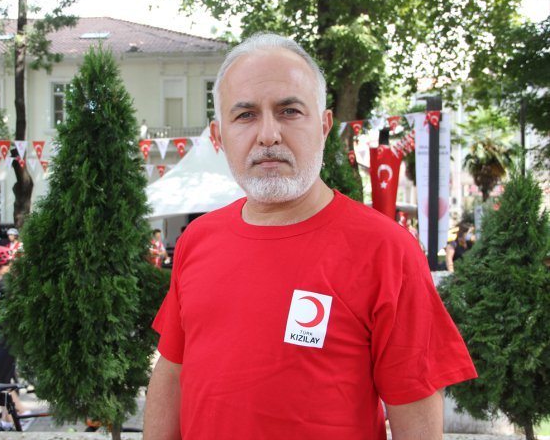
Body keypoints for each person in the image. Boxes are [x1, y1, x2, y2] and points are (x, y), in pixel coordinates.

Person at [144, 33, 477, 440]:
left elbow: (415, 410)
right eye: (245, 115)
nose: (268, 135)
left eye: (289, 111)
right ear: (218, 136)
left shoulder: (386, 250)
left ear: (323, 126)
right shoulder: (197, 240)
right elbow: (172, 372)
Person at [0, 245, 33, 431]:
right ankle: (7, 422)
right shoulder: (8, 282)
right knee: (6, 382)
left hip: (9, 340)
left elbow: (10, 314)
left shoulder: (6, 284)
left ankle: (24, 414)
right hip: (8, 338)